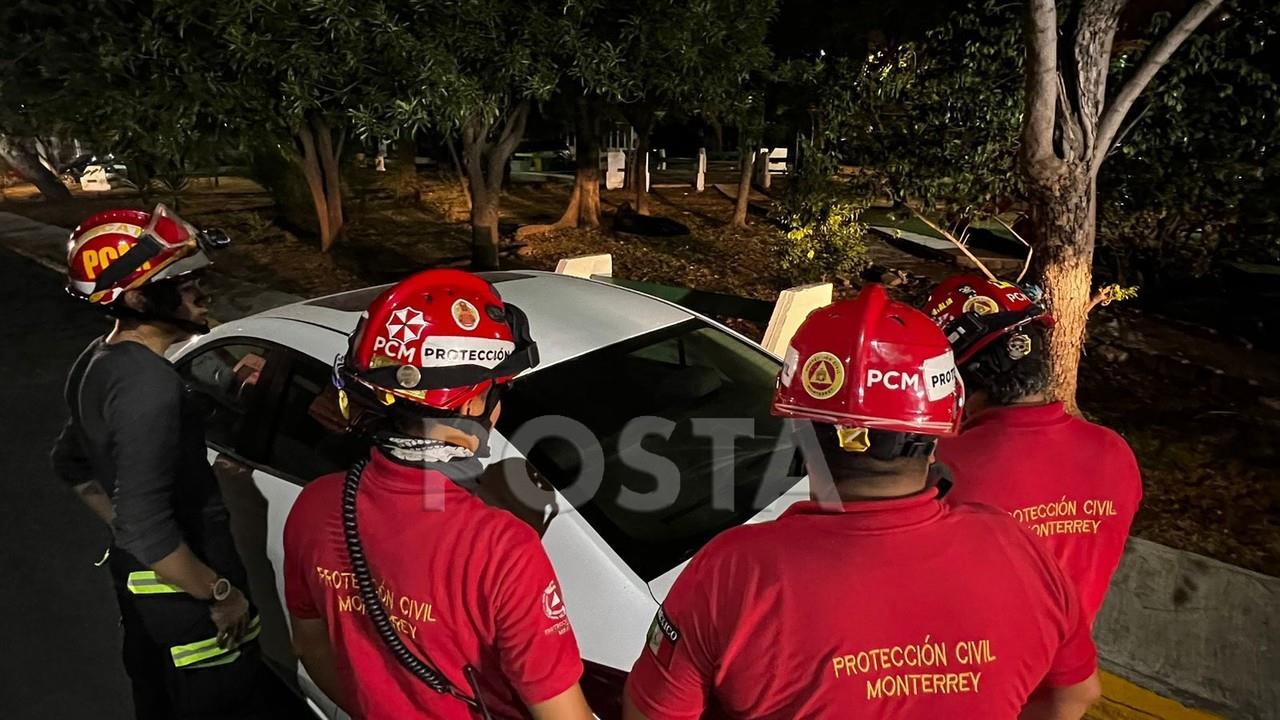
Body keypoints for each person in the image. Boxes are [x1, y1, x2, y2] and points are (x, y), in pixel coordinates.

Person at [624, 284, 1101, 720]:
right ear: (939, 430)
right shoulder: (1020, 549)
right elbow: (1075, 695)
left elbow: (654, 714)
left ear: (799, 430)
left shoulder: (734, 573)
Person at [283, 269, 593, 720]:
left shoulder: (316, 503)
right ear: (471, 405)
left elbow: (311, 646)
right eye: (497, 390)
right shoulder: (503, 547)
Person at [50, 206, 270, 718]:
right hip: (189, 601)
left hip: (142, 586)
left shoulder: (98, 359)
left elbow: (72, 464)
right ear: (138, 298)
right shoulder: (150, 387)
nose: (200, 293)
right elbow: (145, 527)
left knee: (156, 699)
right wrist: (219, 593)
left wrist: (130, 525)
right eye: (184, 283)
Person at [925, 274, 1142, 624]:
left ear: (957, 377)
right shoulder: (1115, 454)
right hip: (1074, 671)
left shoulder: (941, 466)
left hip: (977, 670)